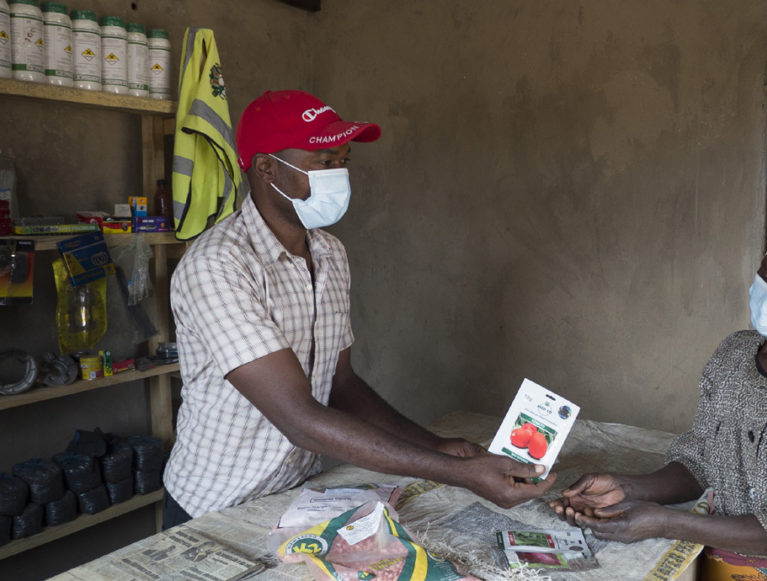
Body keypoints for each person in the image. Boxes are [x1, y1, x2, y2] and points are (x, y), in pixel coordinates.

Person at [162, 90, 554, 528]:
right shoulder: (217, 266)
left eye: (344, 161)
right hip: (215, 507)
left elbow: (340, 384)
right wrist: (458, 474)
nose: (339, 176)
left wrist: (434, 447)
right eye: (324, 162)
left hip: (292, 496)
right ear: (267, 167)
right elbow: (300, 419)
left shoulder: (329, 253)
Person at [550, 208, 767, 581]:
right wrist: (628, 488)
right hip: (724, 563)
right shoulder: (734, 355)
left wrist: (664, 522)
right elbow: (702, 463)